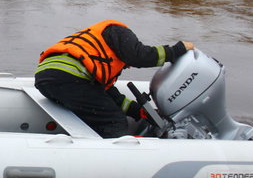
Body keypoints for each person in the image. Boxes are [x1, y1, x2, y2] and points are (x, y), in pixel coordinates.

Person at [35, 19, 194, 138]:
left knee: (99, 110)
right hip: (71, 78)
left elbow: (107, 95)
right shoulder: (119, 32)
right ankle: (119, 158)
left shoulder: (96, 55)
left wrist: (138, 111)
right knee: (113, 121)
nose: (127, 66)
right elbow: (140, 56)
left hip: (46, 77)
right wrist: (176, 50)